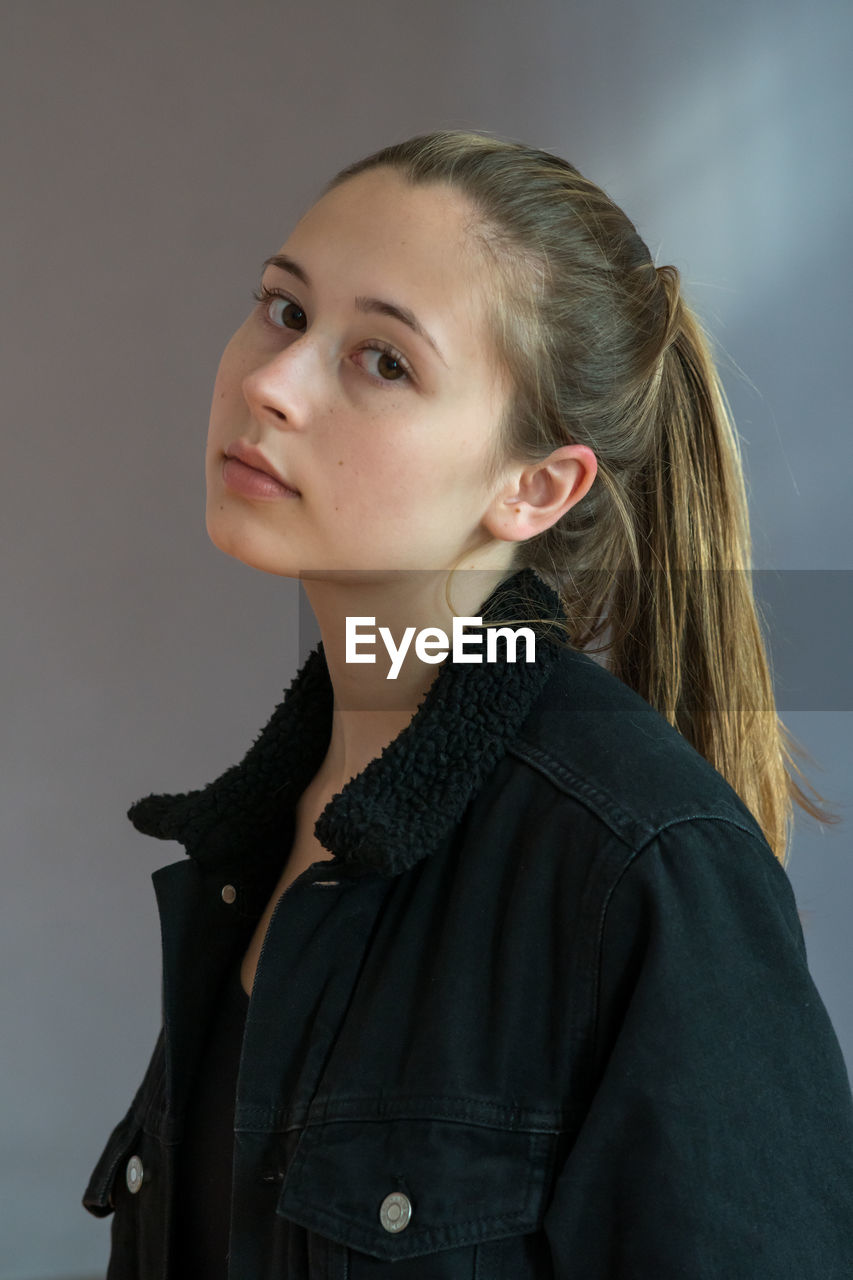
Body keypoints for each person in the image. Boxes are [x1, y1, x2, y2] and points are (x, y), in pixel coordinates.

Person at [82, 129, 853, 1278]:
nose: (266, 382)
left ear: (536, 487)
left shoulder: (643, 863)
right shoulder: (264, 832)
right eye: (286, 312)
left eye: (383, 360)